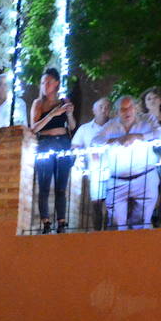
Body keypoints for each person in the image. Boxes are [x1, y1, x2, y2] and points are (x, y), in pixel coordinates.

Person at [94, 96, 161, 231]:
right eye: (123, 109)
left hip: (145, 177)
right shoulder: (111, 125)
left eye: (130, 108)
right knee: (115, 222)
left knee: (141, 222)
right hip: (117, 180)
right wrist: (117, 140)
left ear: (135, 108)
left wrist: (138, 137)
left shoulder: (147, 119)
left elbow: (158, 134)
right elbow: (96, 141)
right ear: (117, 112)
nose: (127, 112)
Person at [29, 68, 77, 233]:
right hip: (45, 143)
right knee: (44, 185)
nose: (45, 85)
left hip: (63, 142)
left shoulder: (64, 101)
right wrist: (52, 114)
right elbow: (34, 128)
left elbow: (72, 126)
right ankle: (46, 222)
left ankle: (61, 222)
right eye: (43, 82)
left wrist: (69, 114)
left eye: (48, 82)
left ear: (56, 83)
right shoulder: (38, 103)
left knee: (61, 187)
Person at [71, 98, 114, 230]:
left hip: (114, 171)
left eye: (107, 107)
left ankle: (108, 231)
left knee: (111, 205)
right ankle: (97, 232)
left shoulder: (116, 126)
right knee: (96, 204)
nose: (104, 109)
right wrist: (82, 155)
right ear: (94, 110)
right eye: (101, 106)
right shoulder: (85, 129)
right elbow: (75, 145)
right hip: (95, 171)